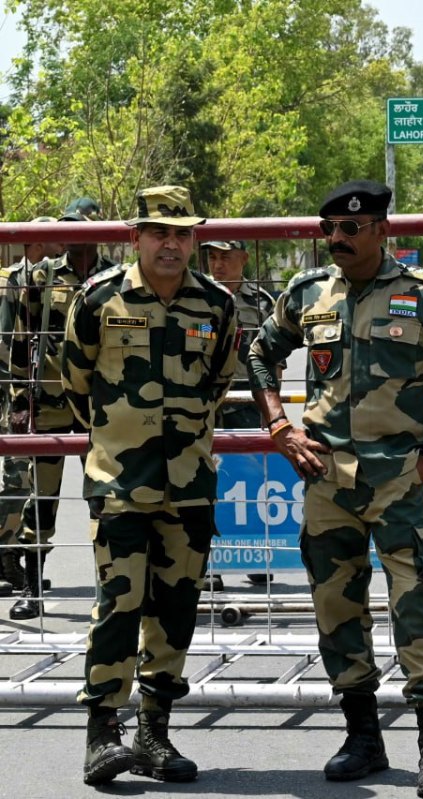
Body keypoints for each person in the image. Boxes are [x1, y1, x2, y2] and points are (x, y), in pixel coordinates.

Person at [247, 180, 423, 798]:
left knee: (413, 605)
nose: (337, 238)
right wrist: (279, 427)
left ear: (381, 230)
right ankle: (362, 738)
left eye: (351, 228)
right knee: (336, 609)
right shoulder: (307, 293)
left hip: (398, 478)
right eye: (329, 229)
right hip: (326, 480)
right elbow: (260, 355)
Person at [62, 185, 238, 785]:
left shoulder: (216, 304)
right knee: (119, 604)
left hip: (188, 483)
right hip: (120, 482)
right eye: (159, 232)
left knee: (176, 609)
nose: (171, 244)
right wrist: (120, 439)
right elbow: (76, 383)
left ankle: (153, 732)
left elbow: (218, 383)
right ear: (135, 236)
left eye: (182, 234)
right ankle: (102, 734)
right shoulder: (99, 298)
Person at [6, 199, 116, 619]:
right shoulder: (43, 275)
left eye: (79, 226)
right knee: (41, 501)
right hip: (49, 405)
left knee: (104, 499)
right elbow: (21, 339)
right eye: (66, 226)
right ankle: (33, 590)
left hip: (99, 407)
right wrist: (20, 398)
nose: (70, 234)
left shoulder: (116, 278)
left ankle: (110, 588)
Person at [201, 239, 273, 586]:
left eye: (226, 257)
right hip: (205, 399)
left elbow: (274, 356)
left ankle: (254, 552)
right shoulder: (196, 296)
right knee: (204, 480)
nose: (218, 264)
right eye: (213, 257)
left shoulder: (262, 302)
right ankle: (209, 562)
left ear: (244, 259)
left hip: (246, 399)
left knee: (250, 480)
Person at [0, 216, 62, 596]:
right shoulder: (13, 281)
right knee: (18, 475)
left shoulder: (48, 278)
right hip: (14, 391)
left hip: (29, 391)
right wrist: (17, 397)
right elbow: (10, 344)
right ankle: (6, 557)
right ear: (38, 244)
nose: (63, 245)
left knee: (24, 476)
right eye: (56, 239)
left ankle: (12, 558)